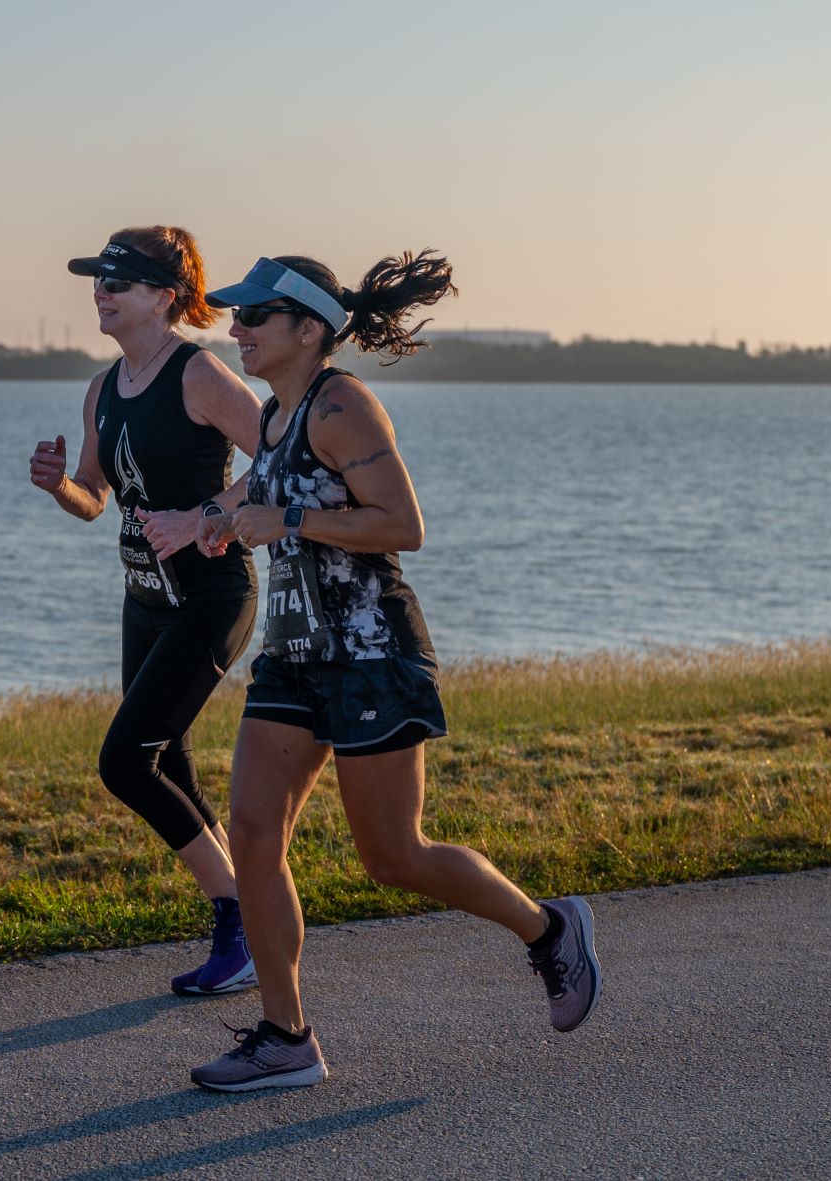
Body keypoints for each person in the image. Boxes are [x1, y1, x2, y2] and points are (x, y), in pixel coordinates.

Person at [187, 252, 602, 1091]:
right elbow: (260, 495)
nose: (236, 331)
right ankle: (284, 1036)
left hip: (371, 653)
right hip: (294, 655)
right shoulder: (275, 413)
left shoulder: (342, 404)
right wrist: (217, 518)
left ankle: (547, 928)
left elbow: (402, 524)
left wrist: (285, 516)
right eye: (236, 318)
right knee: (254, 833)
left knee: (393, 855)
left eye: (252, 317)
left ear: (307, 329)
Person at [30, 227, 268, 995]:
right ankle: (250, 932)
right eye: (96, 280)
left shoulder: (200, 374)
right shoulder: (102, 388)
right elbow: (96, 499)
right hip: (145, 599)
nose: (100, 292)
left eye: (117, 282)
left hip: (211, 595)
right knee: (166, 761)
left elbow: (284, 454)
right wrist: (58, 486)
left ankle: (239, 915)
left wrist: (207, 512)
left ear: (163, 297)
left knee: (124, 762)